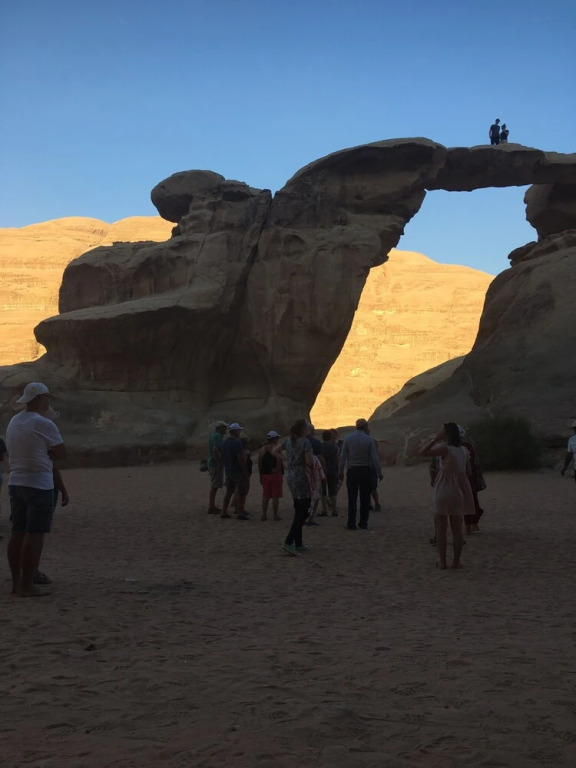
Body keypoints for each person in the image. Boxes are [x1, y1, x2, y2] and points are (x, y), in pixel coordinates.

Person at [6, 382, 66, 597]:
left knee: (18, 532)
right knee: (35, 533)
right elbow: (61, 453)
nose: (48, 400)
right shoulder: (43, 423)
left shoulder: (14, 421)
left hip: (16, 481)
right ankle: (28, 585)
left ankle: (16, 583)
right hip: (39, 483)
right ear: (40, 399)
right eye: (47, 397)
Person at [419, 422, 475, 570]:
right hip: (457, 491)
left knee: (441, 529)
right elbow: (469, 472)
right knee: (457, 529)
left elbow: (422, 452)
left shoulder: (444, 449)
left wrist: (435, 439)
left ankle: (443, 562)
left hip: (443, 490)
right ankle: (456, 562)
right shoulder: (464, 451)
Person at [277, 418, 313, 555]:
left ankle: (298, 543)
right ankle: (289, 541)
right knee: (305, 509)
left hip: (290, 475)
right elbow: (309, 462)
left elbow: (275, 450)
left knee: (299, 507)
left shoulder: (288, 441)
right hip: (301, 475)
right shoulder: (305, 442)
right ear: (303, 429)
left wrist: (287, 460)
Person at [338, 418, 382, 530]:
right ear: (365, 426)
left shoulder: (348, 438)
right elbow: (374, 458)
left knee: (352, 498)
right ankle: (363, 523)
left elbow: (342, 457)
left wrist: (340, 471)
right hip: (365, 471)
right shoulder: (369, 440)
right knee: (365, 498)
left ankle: (351, 523)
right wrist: (379, 472)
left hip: (352, 470)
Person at [220, 423, 250, 520]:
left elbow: (222, 456)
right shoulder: (237, 443)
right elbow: (240, 458)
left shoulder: (225, 442)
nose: (239, 432)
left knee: (229, 492)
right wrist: (245, 471)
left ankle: (224, 511)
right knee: (241, 493)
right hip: (237, 471)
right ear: (235, 431)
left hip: (228, 470)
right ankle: (240, 512)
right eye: (239, 430)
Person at [258, 431, 283, 521]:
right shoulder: (275, 448)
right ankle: (275, 515)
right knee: (275, 495)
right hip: (275, 475)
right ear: (275, 439)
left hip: (265, 475)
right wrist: (276, 469)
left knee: (266, 496)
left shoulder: (262, 449)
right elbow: (280, 459)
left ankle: (264, 515)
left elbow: (259, 463)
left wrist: (260, 475)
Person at [305, 424, 327, 525]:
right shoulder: (317, 443)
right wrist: (323, 472)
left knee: (304, 495)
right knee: (315, 494)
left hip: (302, 472)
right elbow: (321, 458)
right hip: (315, 472)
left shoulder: (299, 442)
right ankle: (311, 517)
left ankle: (304, 515)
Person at [207, 421, 227, 514]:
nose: (226, 429)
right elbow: (215, 449)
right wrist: (219, 462)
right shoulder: (217, 436)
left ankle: (212, 505)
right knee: (215, 485)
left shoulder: (213, 435)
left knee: (214, 485)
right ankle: (211, 506)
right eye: (224, 427)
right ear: (220, 428)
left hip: (213, 463)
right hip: (216, 464)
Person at [321, 429, 339, 516]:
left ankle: (325, 511)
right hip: (332, 470)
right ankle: (334, 510)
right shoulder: (334, 447)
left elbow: (320, 459)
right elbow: (336, 460)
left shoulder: (320, 447)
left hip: (323, 471)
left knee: (323, 491)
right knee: (333, 491)